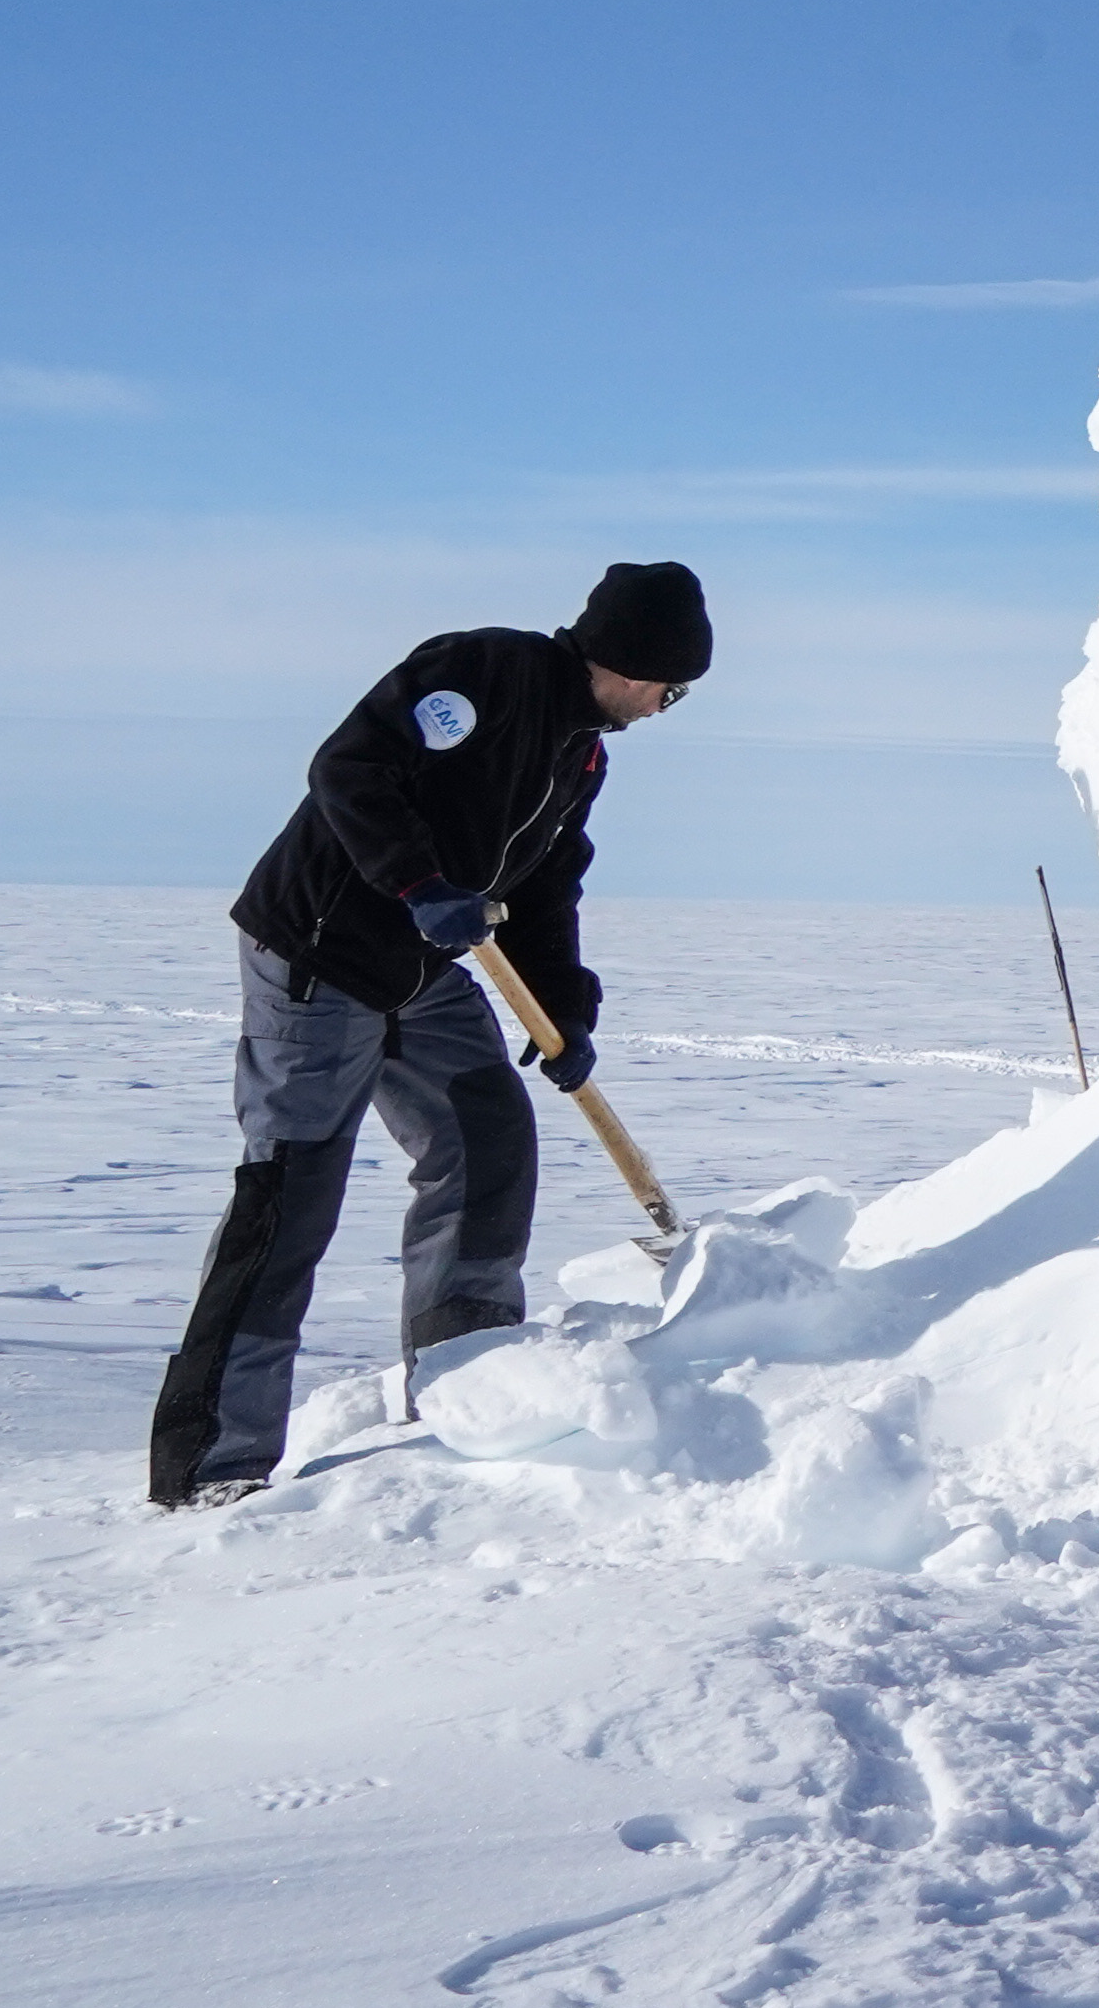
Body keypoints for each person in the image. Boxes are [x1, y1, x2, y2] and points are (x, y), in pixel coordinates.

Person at [146, 561, 714, 1505]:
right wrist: (418, 882)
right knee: (291, 1198)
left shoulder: (581, 756)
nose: (668, 706)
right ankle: (213, 1465)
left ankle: (469, 1390)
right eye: (672, 687)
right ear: (632, 659)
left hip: (418, 973)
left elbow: (543, 889)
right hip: (321, 954)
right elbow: (350, 768)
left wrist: (566, 1004)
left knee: (487, 1143)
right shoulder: (480, 672)